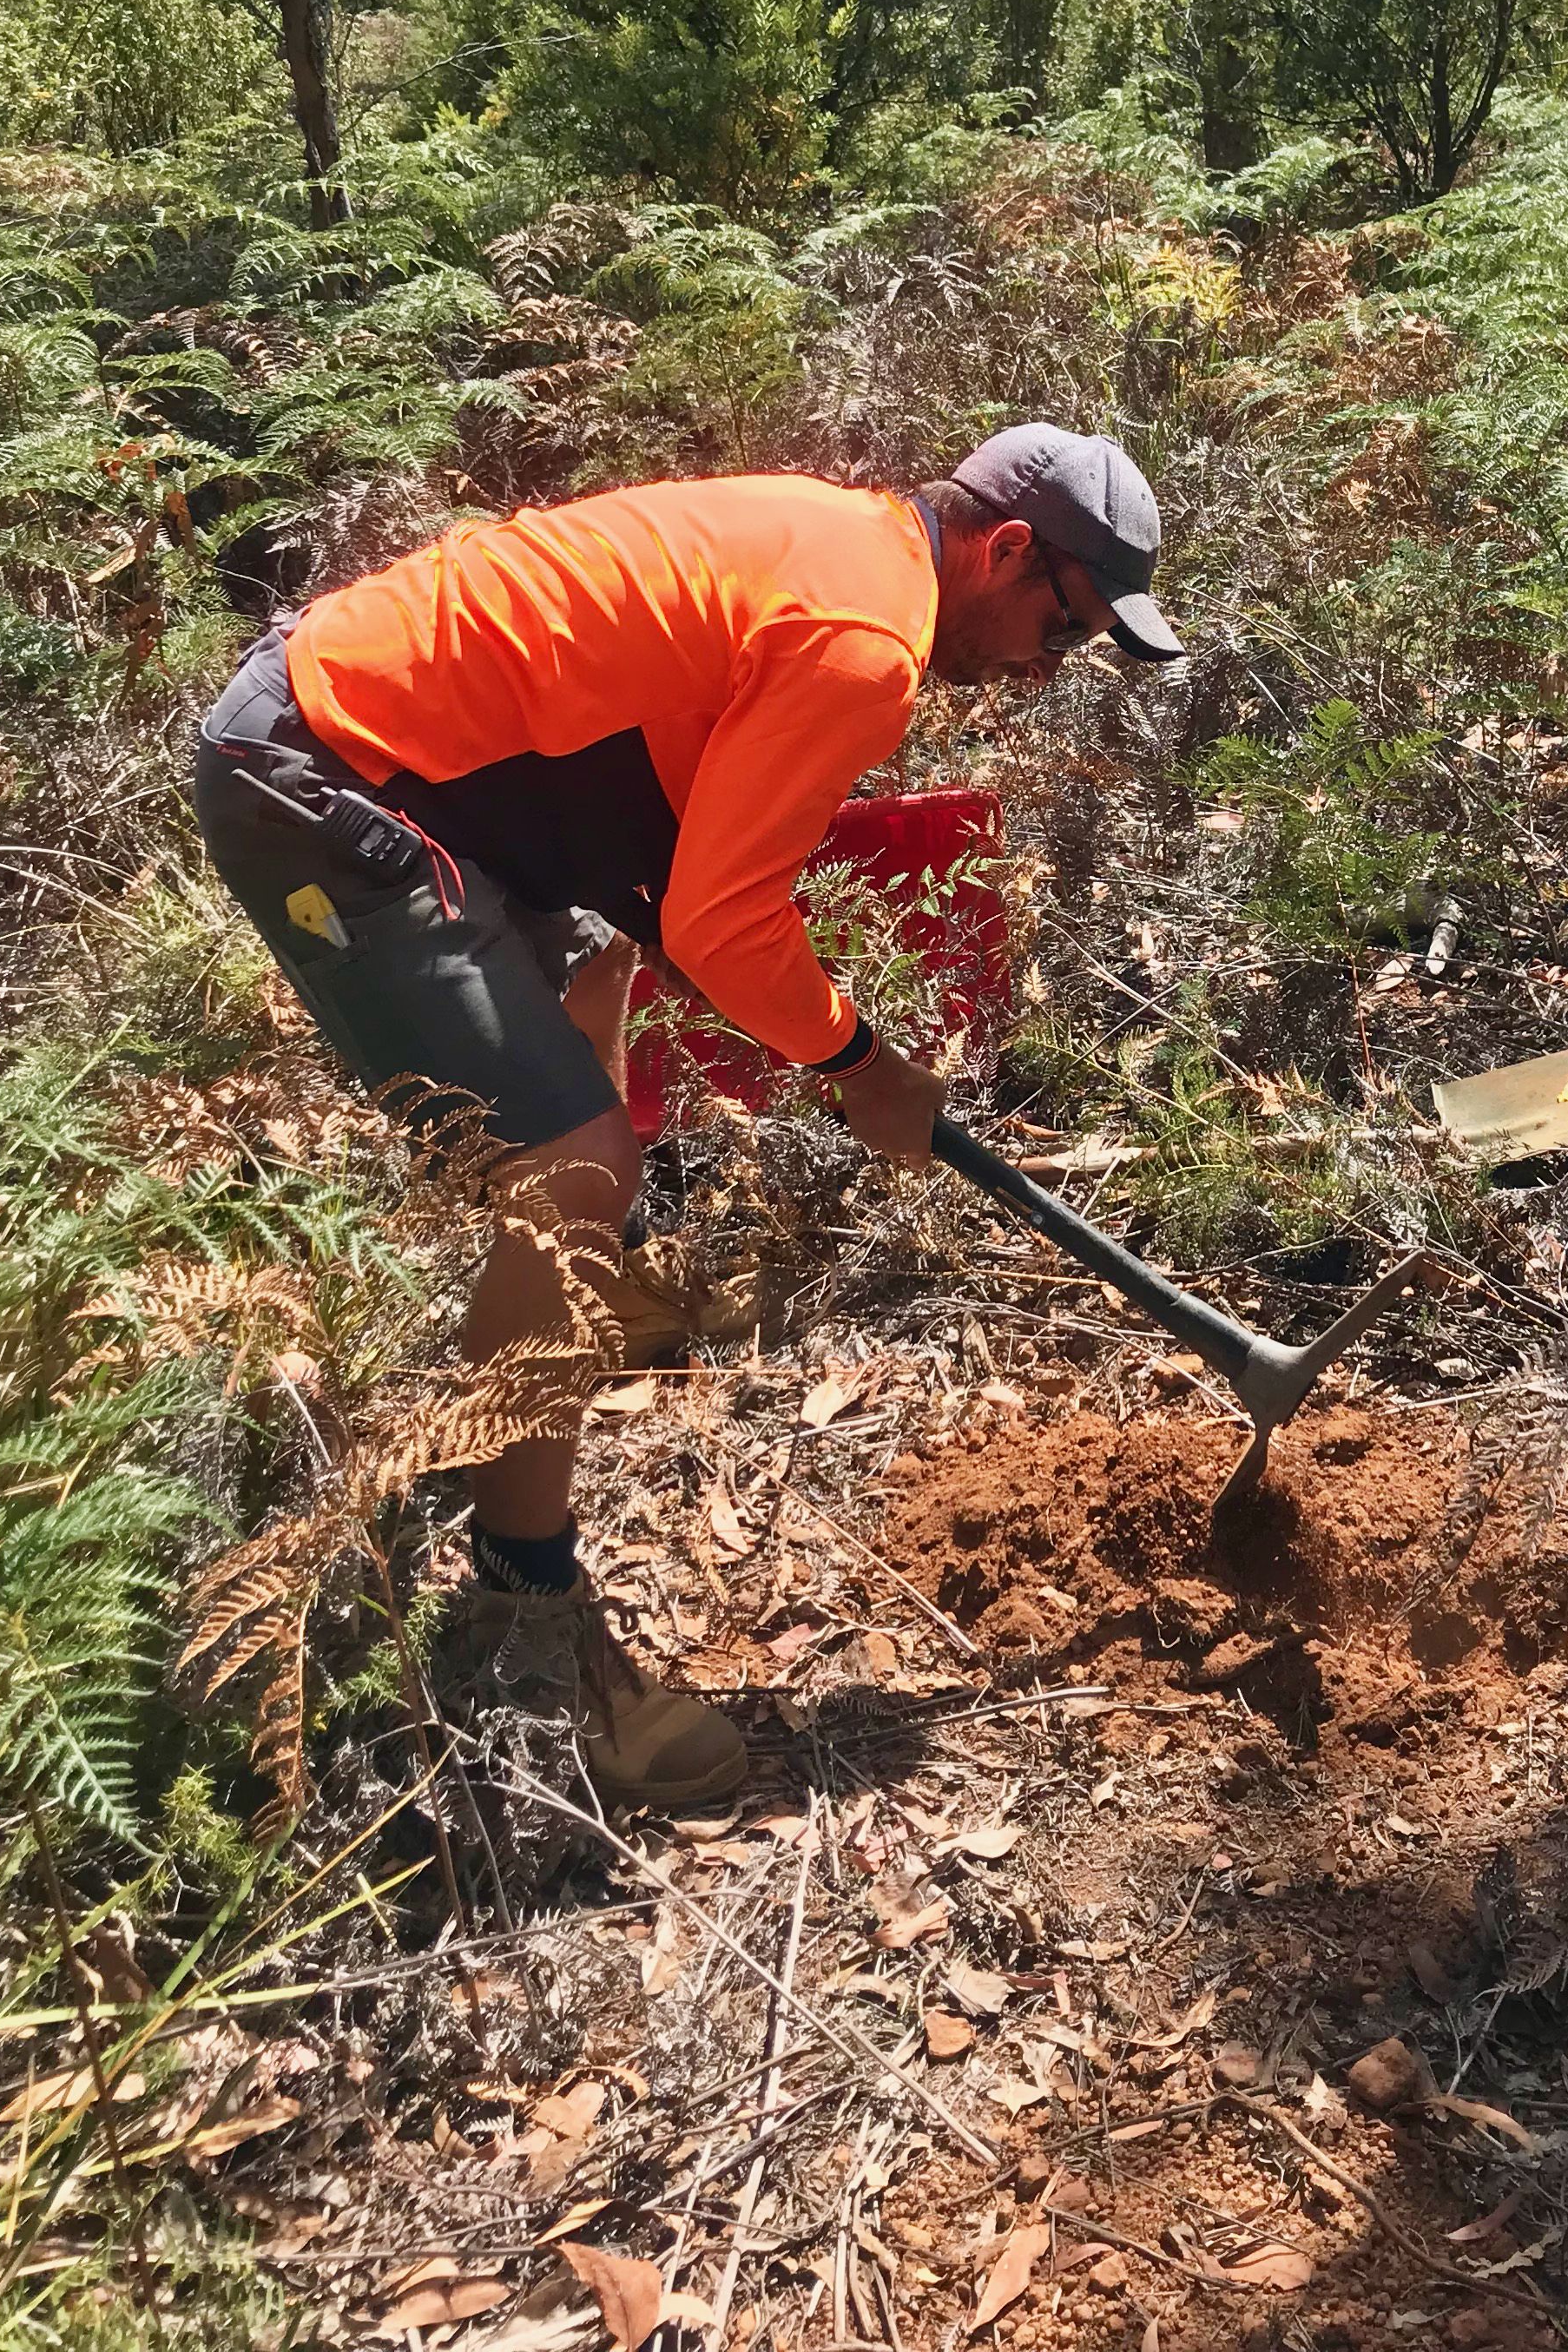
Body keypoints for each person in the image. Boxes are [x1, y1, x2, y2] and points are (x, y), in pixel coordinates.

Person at [192, 425, 1182, 1808]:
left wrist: (711, 959)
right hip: (324, 776)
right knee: (572, 1164)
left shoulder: (835, 536)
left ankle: (544, 1344)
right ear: (1009, 548)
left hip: (396, 754)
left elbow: (668, 838)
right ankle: (524, 1631)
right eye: (1062, 627)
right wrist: (862, 1064)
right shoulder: (865, 638)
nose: (1046, 667)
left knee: (596, 1011)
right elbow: (725, 922)